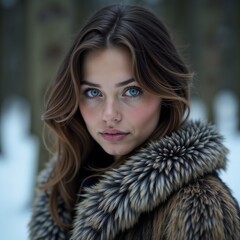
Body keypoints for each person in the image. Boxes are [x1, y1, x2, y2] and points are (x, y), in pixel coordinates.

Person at [28, 4, 240, 240]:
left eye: (131, 91)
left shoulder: (198, 206)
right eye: (92, 93)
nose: (109, 114)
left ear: (165, 92)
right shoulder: (61, 191)